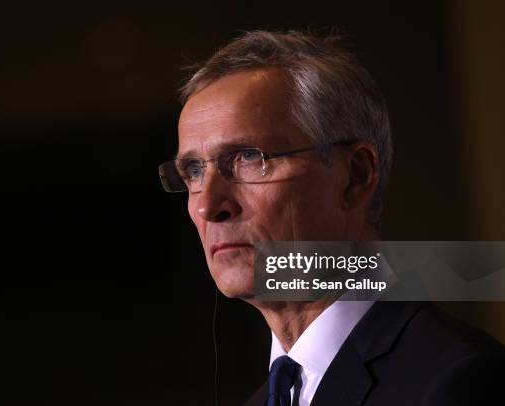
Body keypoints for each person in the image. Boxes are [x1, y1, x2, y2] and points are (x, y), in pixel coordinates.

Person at [158, 30, 503, 405]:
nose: (209, 205)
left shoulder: (458, 383)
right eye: (193, 171)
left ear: (356, 176)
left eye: (248, 158)